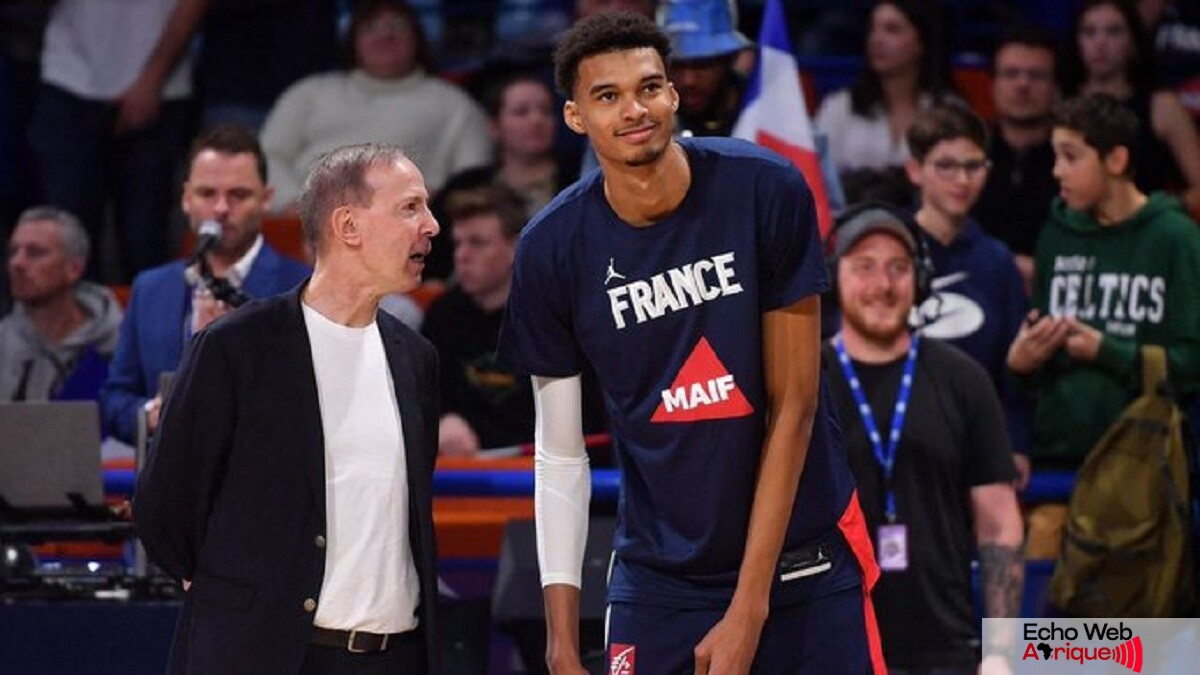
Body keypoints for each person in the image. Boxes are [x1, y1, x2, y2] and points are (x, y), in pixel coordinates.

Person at [497, 12, 883, 674]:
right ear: (574, 116)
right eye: (607, 96)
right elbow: (558, 453)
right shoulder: (551, 247)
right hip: (661, 575)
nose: (634, 109)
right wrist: (561, 642)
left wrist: (748, 608)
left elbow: (793, 403)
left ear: (674, 94)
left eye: (649, 87)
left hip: (803, 560)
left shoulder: (766, 188)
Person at [135, 143, 442, 674]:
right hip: (270, 655)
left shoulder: (416, 358)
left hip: (396, 658)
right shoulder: (236, 348)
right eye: (410, 208)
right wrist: (238, 604)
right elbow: (165, 507)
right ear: (349, 225)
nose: (432, 225)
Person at [824, 205, 1023, 674]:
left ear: (921, 279)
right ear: (834, 277)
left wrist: (1000, 652)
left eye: (898, 267)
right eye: (864, 267)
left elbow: (999, 524)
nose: (883, 285)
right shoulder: (804, 384)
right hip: (831, 650)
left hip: (943, 651)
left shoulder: (964, 380)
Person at [1008, 94, 1200, 552]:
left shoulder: (1175, 237)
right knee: (1046, 627)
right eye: (1056, 156)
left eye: (1071, 157)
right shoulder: (1056, 234)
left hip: (1143, 476)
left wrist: (1107, 351)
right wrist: (1025, 361)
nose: (1057, 171)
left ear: (1116, 159)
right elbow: (1040, 362)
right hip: (1057, 474)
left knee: (1140, 629)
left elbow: (1193, 364)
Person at [99, 124, 310, 444]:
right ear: (186, 199)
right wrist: (151, 414)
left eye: (238, 195)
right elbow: (115, 398)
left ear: (265, 199)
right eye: (207, 194)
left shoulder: (302, 287)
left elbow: (309, 401)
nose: (222, 209)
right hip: (169, 483)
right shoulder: (150, 289)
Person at [27, 0, 208, 282]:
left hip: (162, 90)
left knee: (145, 244)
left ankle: (149, 325)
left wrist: (153, 79)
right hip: (68, 79)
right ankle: (80, 327)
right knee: (68, 241)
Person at [260, 0, 492, 213]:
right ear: (353, 40)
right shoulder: (308, 92)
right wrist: (292, 204)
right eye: (371, 27)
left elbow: (471, 179)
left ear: (417, 39)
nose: (386, 34)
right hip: (305, 225)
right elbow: (266, 157)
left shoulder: (456, 104)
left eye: (398, 26)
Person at [904, 102, 1032, 480]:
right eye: (946, 165)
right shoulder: (885, 251)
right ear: (915, 170)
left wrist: (1017, 444)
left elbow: (1014, 369)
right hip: (894, 444)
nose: (961, 179)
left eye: (973, 166)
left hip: (976, 449)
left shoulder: (997, 262)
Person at [423, 184, 533, 456]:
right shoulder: (443, 316)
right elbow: (423, 400)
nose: (462, 255)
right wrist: (442, 421)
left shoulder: (550, 316)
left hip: (538, 472)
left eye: (478, 243)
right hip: (464, 474)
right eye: (458, 243)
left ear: (516, 248)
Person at [814, 0, 957, 201]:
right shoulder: (839, 107)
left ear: (920, 42)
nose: (877, 39)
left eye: (892, 30)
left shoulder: (949, 112)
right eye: (873, 29)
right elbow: (817, 180)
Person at [1066, 0, 1200, 214]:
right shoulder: (1059, 102)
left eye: (1114, 32)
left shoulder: (1162, 106)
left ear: (1133, 41)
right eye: (1089, 32)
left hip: (1144, 235)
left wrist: (1155, 212)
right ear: (1077, 41)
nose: (1101, 42)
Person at [0, 206, 122, 402]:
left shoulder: (120, 344)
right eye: (13, 251)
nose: (17, 263)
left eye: (35, 252)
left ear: (74, 268)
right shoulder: (4, 344)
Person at [972, 26, 1061, 289]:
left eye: (1036, 75)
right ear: (992, 85)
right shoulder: (966, 156)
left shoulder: (1080, 159)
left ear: (1056, 88)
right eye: (1011, 74)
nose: (1023, 85)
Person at [658, 0, 752, 138]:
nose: (689, 81)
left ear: (729, 59)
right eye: (677, 66)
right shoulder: (655, 114)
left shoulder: (761, 106)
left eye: (702, 65)